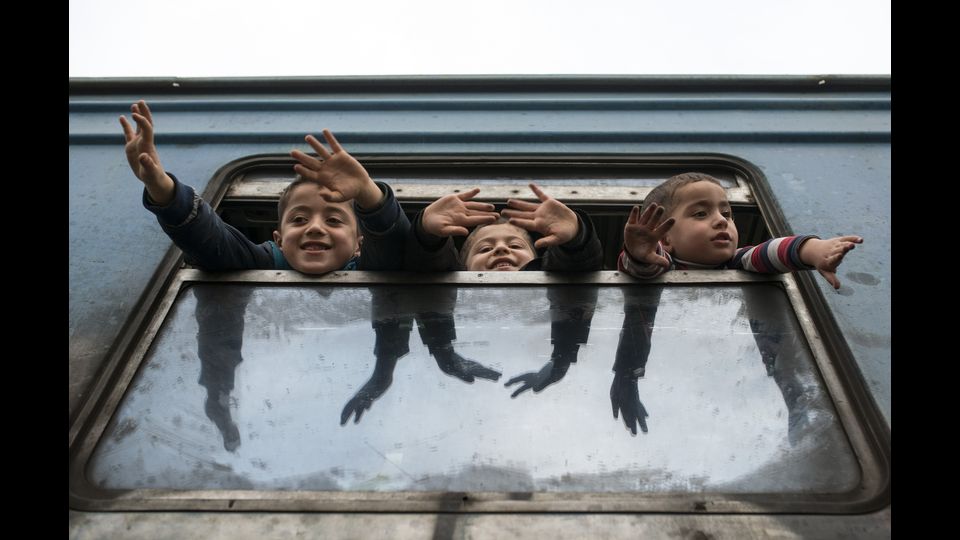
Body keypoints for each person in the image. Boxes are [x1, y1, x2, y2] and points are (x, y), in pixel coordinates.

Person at [120, 100, 409, 273]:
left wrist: (369, 194)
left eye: (333, 219)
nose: (315, 227)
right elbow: (211, 240)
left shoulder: (371, 266)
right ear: (279, 239)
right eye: (298, 219)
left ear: (359, 244)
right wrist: (161, 187)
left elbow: (394, 246)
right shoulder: (264, 262)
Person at [617, 172, 862, 288]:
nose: (721, 221)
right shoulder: (664, 263)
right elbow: (642, 269)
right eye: (700, 214)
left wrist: (814, 250)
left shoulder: (737, 261)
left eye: (726, 214)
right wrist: (639, 254)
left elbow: (772, 251)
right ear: (666, 238)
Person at [404, 183, 603, 272]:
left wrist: (576, 237)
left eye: (516, 246)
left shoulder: (552, 287)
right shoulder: (453, 296)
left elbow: (577, 267)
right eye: (485, 249)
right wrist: (427, 235)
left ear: (538, 260)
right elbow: (431, 267)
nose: (501, 249)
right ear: (463, 267)